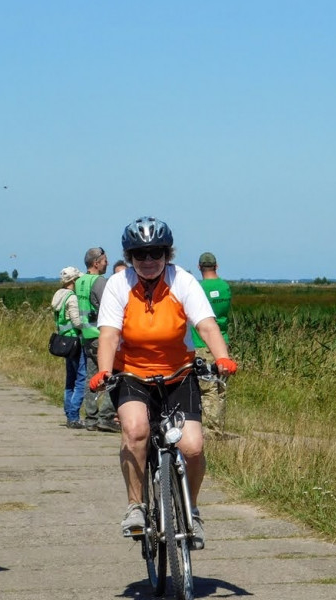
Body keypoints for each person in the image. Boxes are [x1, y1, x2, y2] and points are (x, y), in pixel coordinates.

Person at [92, 217, 237, 549]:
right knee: (136, 431)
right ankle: (135, 507)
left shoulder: (183, 281)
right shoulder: (118, 284)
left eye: (156, 253)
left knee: (192, 446)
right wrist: (103, 371)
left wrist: (222, 357)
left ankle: (193, 511)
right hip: (131, 373)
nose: (148, 261)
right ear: (129, 257)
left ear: (168, 254)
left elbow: (206, 324)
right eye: (139, 254)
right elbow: (109, 334)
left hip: (178, 372)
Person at [76, 247, 119, 432]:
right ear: (96, 262)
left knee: (91, 378)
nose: (107, 263)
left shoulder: (80, 281)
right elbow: (109, 306)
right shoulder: (99, 281)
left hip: (86, 334)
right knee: (113, 375)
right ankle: (106, 416)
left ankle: (91, 417)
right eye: (104, 260)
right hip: (100, 336)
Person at [191, 252, 233, 436]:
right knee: (221, 386)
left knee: (207, 387)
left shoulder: (198, 288)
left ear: (200, 267)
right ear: (216, 266)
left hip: (202, 341)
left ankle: (209, 428)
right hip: (223, 341)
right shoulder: (225, 287)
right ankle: (218, 426)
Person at [52, 266, 87, 428]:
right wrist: (89, 323)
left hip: (63, 340)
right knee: (81, 379)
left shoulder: (58, 295)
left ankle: (68, 412)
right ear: (73, 280)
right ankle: (73, 416)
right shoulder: (71, 298)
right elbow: (77, 322)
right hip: (74, 341)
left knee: (70, 380)